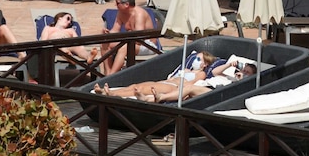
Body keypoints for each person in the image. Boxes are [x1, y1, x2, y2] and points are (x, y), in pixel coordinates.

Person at [92, 54, 256, 102]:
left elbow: (205, 76)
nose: (196, 61)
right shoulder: (227, 75)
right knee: (136, 85)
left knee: (141, 89)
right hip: (169, 82)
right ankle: (109, 93)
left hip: (182, 88)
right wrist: (230, 66)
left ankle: (112, 95)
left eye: (248, 72)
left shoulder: (203, 74)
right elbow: (216, 72)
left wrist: (243, 77)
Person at [100, 0, 158, 75]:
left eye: (117, 3)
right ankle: (107, 73)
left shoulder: (139, 14)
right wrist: (107, 34)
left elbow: (139, 39)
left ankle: (111, 77)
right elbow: (115, 30)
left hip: (147, 45)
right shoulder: (121, 13)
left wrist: (121, 40)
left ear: (126, 4)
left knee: (125, 47)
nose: (115, 5)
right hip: (130, 41)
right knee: (105, 43)